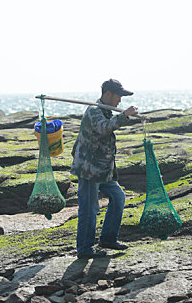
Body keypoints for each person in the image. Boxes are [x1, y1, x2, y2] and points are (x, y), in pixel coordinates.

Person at [71, 79, 139, 259]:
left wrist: (122, 115)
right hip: (88, 169)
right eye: (119, 96)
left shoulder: (106, 110)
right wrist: (124, 115)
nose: (120, 101)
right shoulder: (94, 110)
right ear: (108, 94)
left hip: (103, 169)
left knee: (118, 197)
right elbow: (103, 128)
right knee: (89, 208)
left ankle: (108, 239)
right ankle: (84, 250)